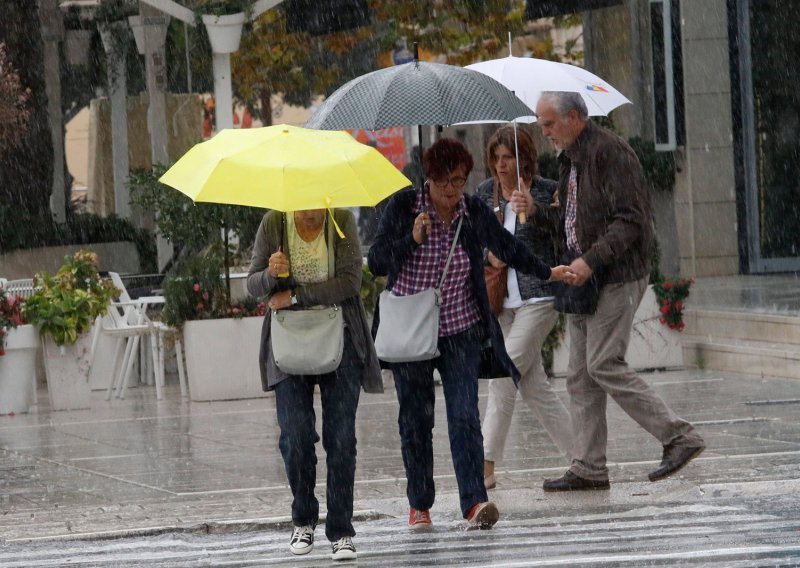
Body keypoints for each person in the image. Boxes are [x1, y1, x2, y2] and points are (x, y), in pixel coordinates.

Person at [367, 138, 570, 529]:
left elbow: (506, 246)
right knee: (415, 420)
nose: (451, 191)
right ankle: (420, 503)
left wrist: (547, 271)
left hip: (460, 330)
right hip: (412, 334)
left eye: (459, 181)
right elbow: (376, 261)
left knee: (464, 416)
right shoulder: (404, 207)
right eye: (444, 182)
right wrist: (411, 240)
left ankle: (475, 502)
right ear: (429, 179)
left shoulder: (471, 210)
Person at [533, 91, 705, 492]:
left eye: (549, 124)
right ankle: (589, 466)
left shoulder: (611, 152)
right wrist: (539, 211)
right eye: (541, 125)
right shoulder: (570, 159)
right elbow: (576, 215)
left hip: (614, 275)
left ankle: (679, 436)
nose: (545, 133)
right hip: (583, 280)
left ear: (574, 117)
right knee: (579, 375)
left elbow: (630, 218)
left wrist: (590, 259)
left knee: (603, 363)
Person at [246, 208, 383, 561]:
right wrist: (268, 275)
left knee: (341, 439)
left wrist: (294, 296)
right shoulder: (274, 223)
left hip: (339, 339)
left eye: (316, 205)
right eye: (303, 205)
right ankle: (303, 518)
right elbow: (252, 285)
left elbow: (350, 281)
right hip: (289, 343)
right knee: (295, 436)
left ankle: (341, 530)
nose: (311, 213)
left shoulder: (341, 222)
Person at [476, 125, 573, 491]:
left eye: (508, 157)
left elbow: (565, 234)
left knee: (502, 375)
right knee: (535, 389)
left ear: (523, 157)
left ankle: (484, 466)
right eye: (496, 158)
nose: (501, 166)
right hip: (502, 301)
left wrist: (536, 209)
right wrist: (489, 254)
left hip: (540, 296)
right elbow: (473, 241)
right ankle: (583, 457)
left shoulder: (547, 190)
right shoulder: (486, 194)